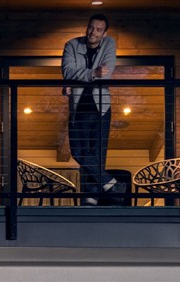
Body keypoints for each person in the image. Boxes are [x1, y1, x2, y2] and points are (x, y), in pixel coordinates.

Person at [62, 13, 117, 205]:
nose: (93, 32)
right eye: (91, 27)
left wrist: (77, 79)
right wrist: (93, 73)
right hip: (79, 108)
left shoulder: (109, 44)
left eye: (99, 30)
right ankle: (111, 183)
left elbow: (106, 74)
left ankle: (92, 198)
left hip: (102, 107)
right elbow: (67, 71)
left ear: (104, 33)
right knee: (78, 151)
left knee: (97, 154)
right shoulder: (71, 45)